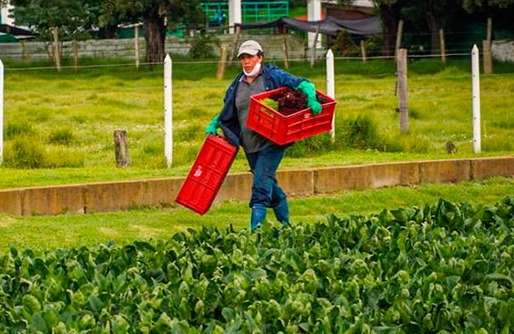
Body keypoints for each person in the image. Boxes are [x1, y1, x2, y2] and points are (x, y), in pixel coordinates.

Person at [205, 40, 322, 231]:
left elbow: (301, 83)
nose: (246, 62)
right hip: (249, 145)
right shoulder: (237, 84)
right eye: (243, 58)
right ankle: (287, 226)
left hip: (272, 142)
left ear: (260, 57)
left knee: (260, 186)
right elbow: (229, 109)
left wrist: (311, 96)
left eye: (250, 57)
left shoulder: (271, 76)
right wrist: (215, 122)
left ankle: (255, 232)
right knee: (269, 183)